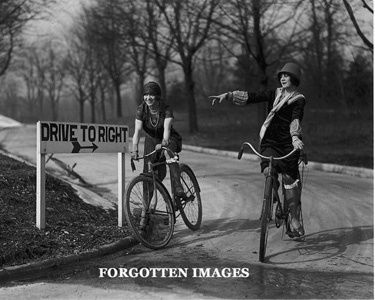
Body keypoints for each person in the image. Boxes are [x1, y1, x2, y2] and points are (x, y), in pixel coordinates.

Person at [209, 62, 306, 238]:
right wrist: (229, 95)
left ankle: (294, 218)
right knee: (268, 169)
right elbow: (252, 96)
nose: (283, 78)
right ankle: (272, 189)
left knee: (290, 179)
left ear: (295, 78)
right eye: (281, 75)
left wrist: (295, 137)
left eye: (287, 75)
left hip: (288, 143)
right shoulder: (273, 94)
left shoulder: (298, 99)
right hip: (270, 141)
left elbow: (295, 118)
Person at [131, 81, 185, 198]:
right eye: (146, 95)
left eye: (151, 95)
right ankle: (146, 211)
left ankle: (178, 187)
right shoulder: (141, 110)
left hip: (169, 137)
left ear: (157, 96)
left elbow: (167, 129)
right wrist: (134, 150)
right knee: (149, 174)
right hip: (151, 140)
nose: (148, 98)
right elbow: (138, 131)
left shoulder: (166, 109)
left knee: (168, 152)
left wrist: (163, 143)